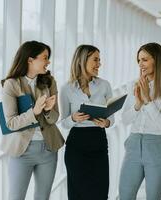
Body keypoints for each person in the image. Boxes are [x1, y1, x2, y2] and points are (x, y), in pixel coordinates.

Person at [0, 41, 64, 200]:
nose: (48, 62)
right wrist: (34, 112)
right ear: (30, 60)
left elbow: (55, 117)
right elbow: (11, 123)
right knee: (16, 197)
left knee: (43, 197)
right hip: (22, 151)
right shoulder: (11, 84)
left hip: (48, 149)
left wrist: (48, 111)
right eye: (45, 57)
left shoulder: (49, 81)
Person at [119, 42, 161, 200]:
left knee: (153, 197)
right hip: (133, 145)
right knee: (125, 195)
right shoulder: (133, 84)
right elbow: (124, 119)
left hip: (157, 148)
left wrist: (147, 99)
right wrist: (138, 105)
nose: (140, 64)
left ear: (157, 60)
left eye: (144, 60)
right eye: (138, 60)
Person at [59, 44, 114, 200]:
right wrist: (73, 118)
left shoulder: (105, 85)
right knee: (78, 194)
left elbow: (112, 117)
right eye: (95, 60)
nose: (99, 64)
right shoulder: (67, 89)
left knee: (100, 193)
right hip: (76, 146)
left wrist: (107, 123)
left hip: (99, 143)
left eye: (99, 60)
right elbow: (63, 122)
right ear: (82, 60)